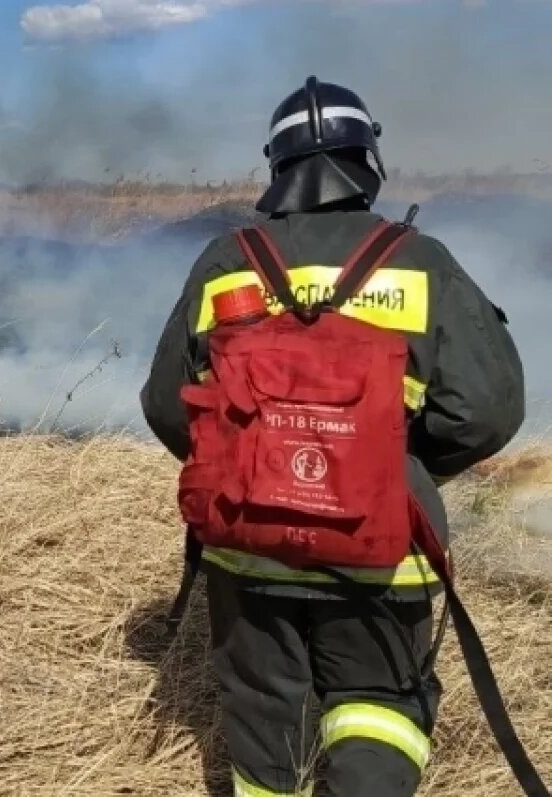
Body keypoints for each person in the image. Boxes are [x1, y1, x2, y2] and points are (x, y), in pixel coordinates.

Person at [141, 76, 527, 796]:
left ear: (277, 166)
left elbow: (168, 406)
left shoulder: (227, 261)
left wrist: (249, 465)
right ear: (367, 158)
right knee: (379, 709)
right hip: (382, 550)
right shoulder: (422, 262)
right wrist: (389, 468)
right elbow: (486, 412)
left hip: (248, 550)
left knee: (264, 717)